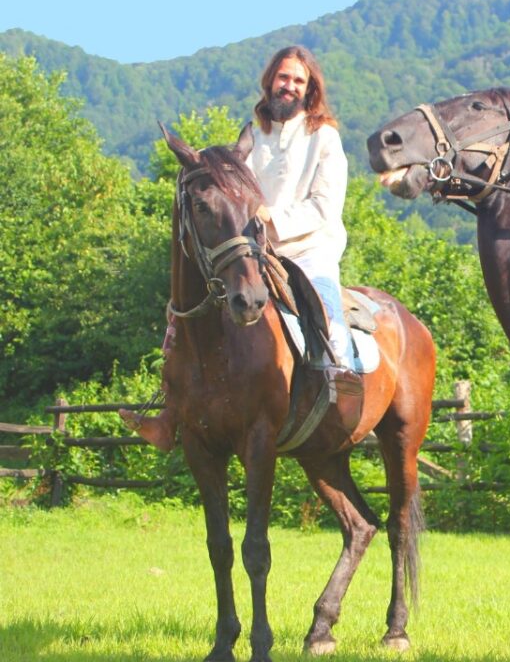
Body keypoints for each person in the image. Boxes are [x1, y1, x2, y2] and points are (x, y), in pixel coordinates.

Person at [122, 45, 359, 451]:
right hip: (254, 246)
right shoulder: (254, 135)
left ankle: (341, 390)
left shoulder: (324, 138)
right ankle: (170, 411)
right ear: (270, 81)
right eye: (283, 77)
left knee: (327, 309)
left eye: (298, 80)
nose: (289, 86)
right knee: (189, 306)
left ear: (310, 89)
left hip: (309, 247)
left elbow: (324, 206)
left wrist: (269, 217)